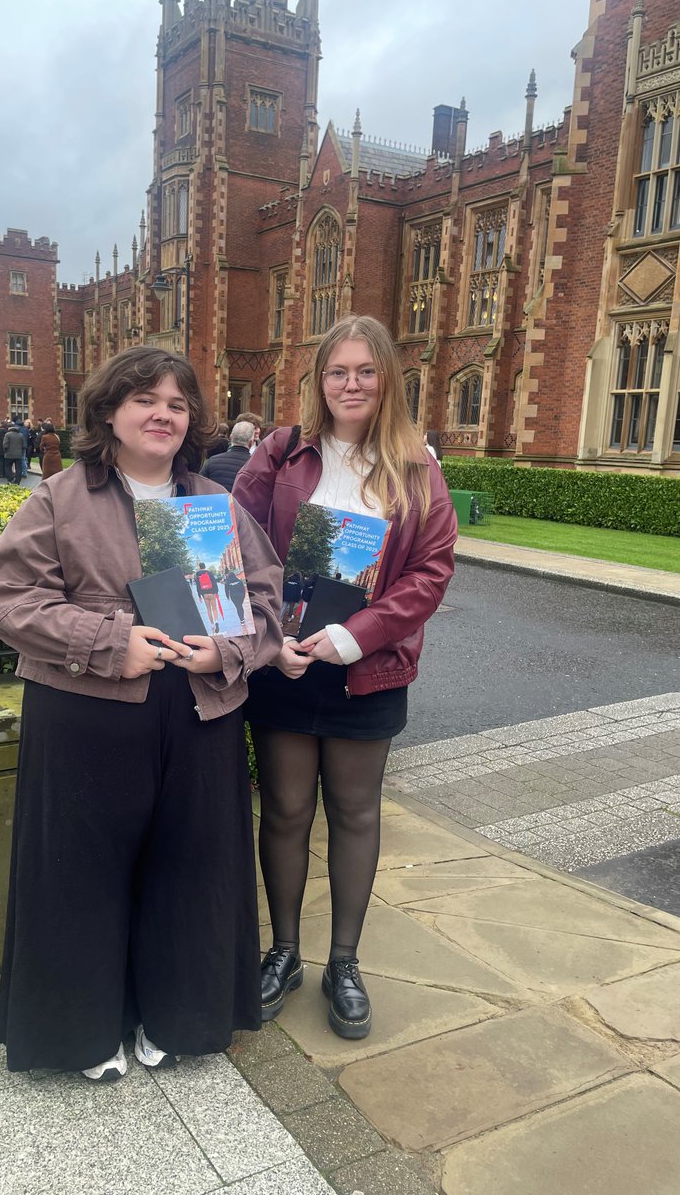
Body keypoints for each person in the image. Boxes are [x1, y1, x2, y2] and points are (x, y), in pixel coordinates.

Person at [0, 345, 282, 1079]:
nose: (163, 414)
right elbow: (8, 598)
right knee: (80, 874)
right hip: (87, 712)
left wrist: (228, 654)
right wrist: (112, 641)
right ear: (110, 412)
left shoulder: (216, 506)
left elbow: (270, 604)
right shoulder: (59, 497)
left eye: (178, 404)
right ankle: (80, 1033)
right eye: (146, 399)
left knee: (191, 870)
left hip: (200, 715)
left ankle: (179, 1016)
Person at [233, 314, 457, 1041]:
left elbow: (429, 573)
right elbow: (238, 543)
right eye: (338, 371)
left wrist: (353, 636)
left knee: (356, 814)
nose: (351, 384)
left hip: (369, 670)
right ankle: (286, 952)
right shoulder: (280, 452)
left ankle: (346, 963)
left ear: (387, 378)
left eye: (365, 371)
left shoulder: (416, 466)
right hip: (287, 666)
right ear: (318, 380)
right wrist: (273, 638)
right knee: (288, 811)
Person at [200, 420, 255, 490]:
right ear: (251, 442)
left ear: (231, 437)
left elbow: (200, 487)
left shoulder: (212, 461)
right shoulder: (255, 466)